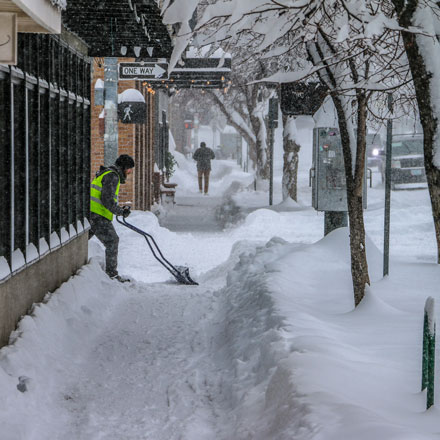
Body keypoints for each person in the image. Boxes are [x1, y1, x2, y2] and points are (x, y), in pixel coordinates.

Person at [89, 154, 135, 283]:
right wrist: (120, 211)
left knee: (80, 241)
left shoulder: (107, 173)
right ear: (124, 167)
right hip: (97, 216)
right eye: (129, 169)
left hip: (92, 214)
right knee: (112, 241)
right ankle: (112, 275)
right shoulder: (112, 176)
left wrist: (119, 209)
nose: (129, 172)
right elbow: (107, 199)